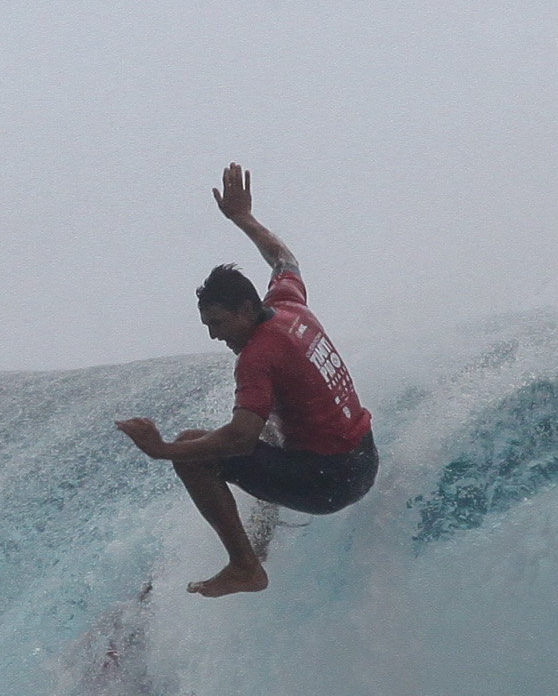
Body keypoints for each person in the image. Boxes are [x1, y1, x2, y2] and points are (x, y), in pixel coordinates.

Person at [114, 165, 378, 599]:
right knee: (273, 428)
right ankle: (262, 537)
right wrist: (244, 219)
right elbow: (284, 259)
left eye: (217, 322)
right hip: (364, 458)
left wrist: (163, 450)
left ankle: (245, 565)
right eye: (206, 325)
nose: (214, 334)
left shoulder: (258, 356)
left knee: (197, 448)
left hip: (329, 482)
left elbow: (238, 439)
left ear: (244, 309)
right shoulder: (289, 304)